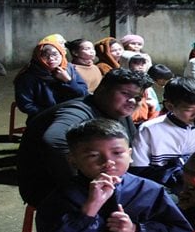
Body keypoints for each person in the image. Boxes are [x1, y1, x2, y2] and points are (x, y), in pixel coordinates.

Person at [32, 118, 191, 232]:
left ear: (130, 155)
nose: (108, 162)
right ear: (72, 160)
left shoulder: (148, 189)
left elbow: (175, 229)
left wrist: (135, 229)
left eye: (117, 153)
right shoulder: (62, 197)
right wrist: (88, 211)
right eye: (93, 155)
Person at [17, 68, 153, 207]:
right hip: (49, 189)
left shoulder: (119, 113)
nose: (132, 101)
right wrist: (79, 181)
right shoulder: (78, 111)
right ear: (103, 89)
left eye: (137, 98)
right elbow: (54, 140)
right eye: (125, 93)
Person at [130, 77, 195, 196]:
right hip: (164, 189)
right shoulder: (150, 129)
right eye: (189, 109)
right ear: (170, 106)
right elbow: (138, 170)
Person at [14, 41, 89, 123]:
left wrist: (68, 80)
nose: (51, 59)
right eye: (45, 55)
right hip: (43, 118)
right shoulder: (29, 76)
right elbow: (26, 105)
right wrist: (52, 113)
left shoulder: (69, 69)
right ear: (38, 57)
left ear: (61, 54)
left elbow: (83, 93)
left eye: (54, 54)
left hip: (71, 114)